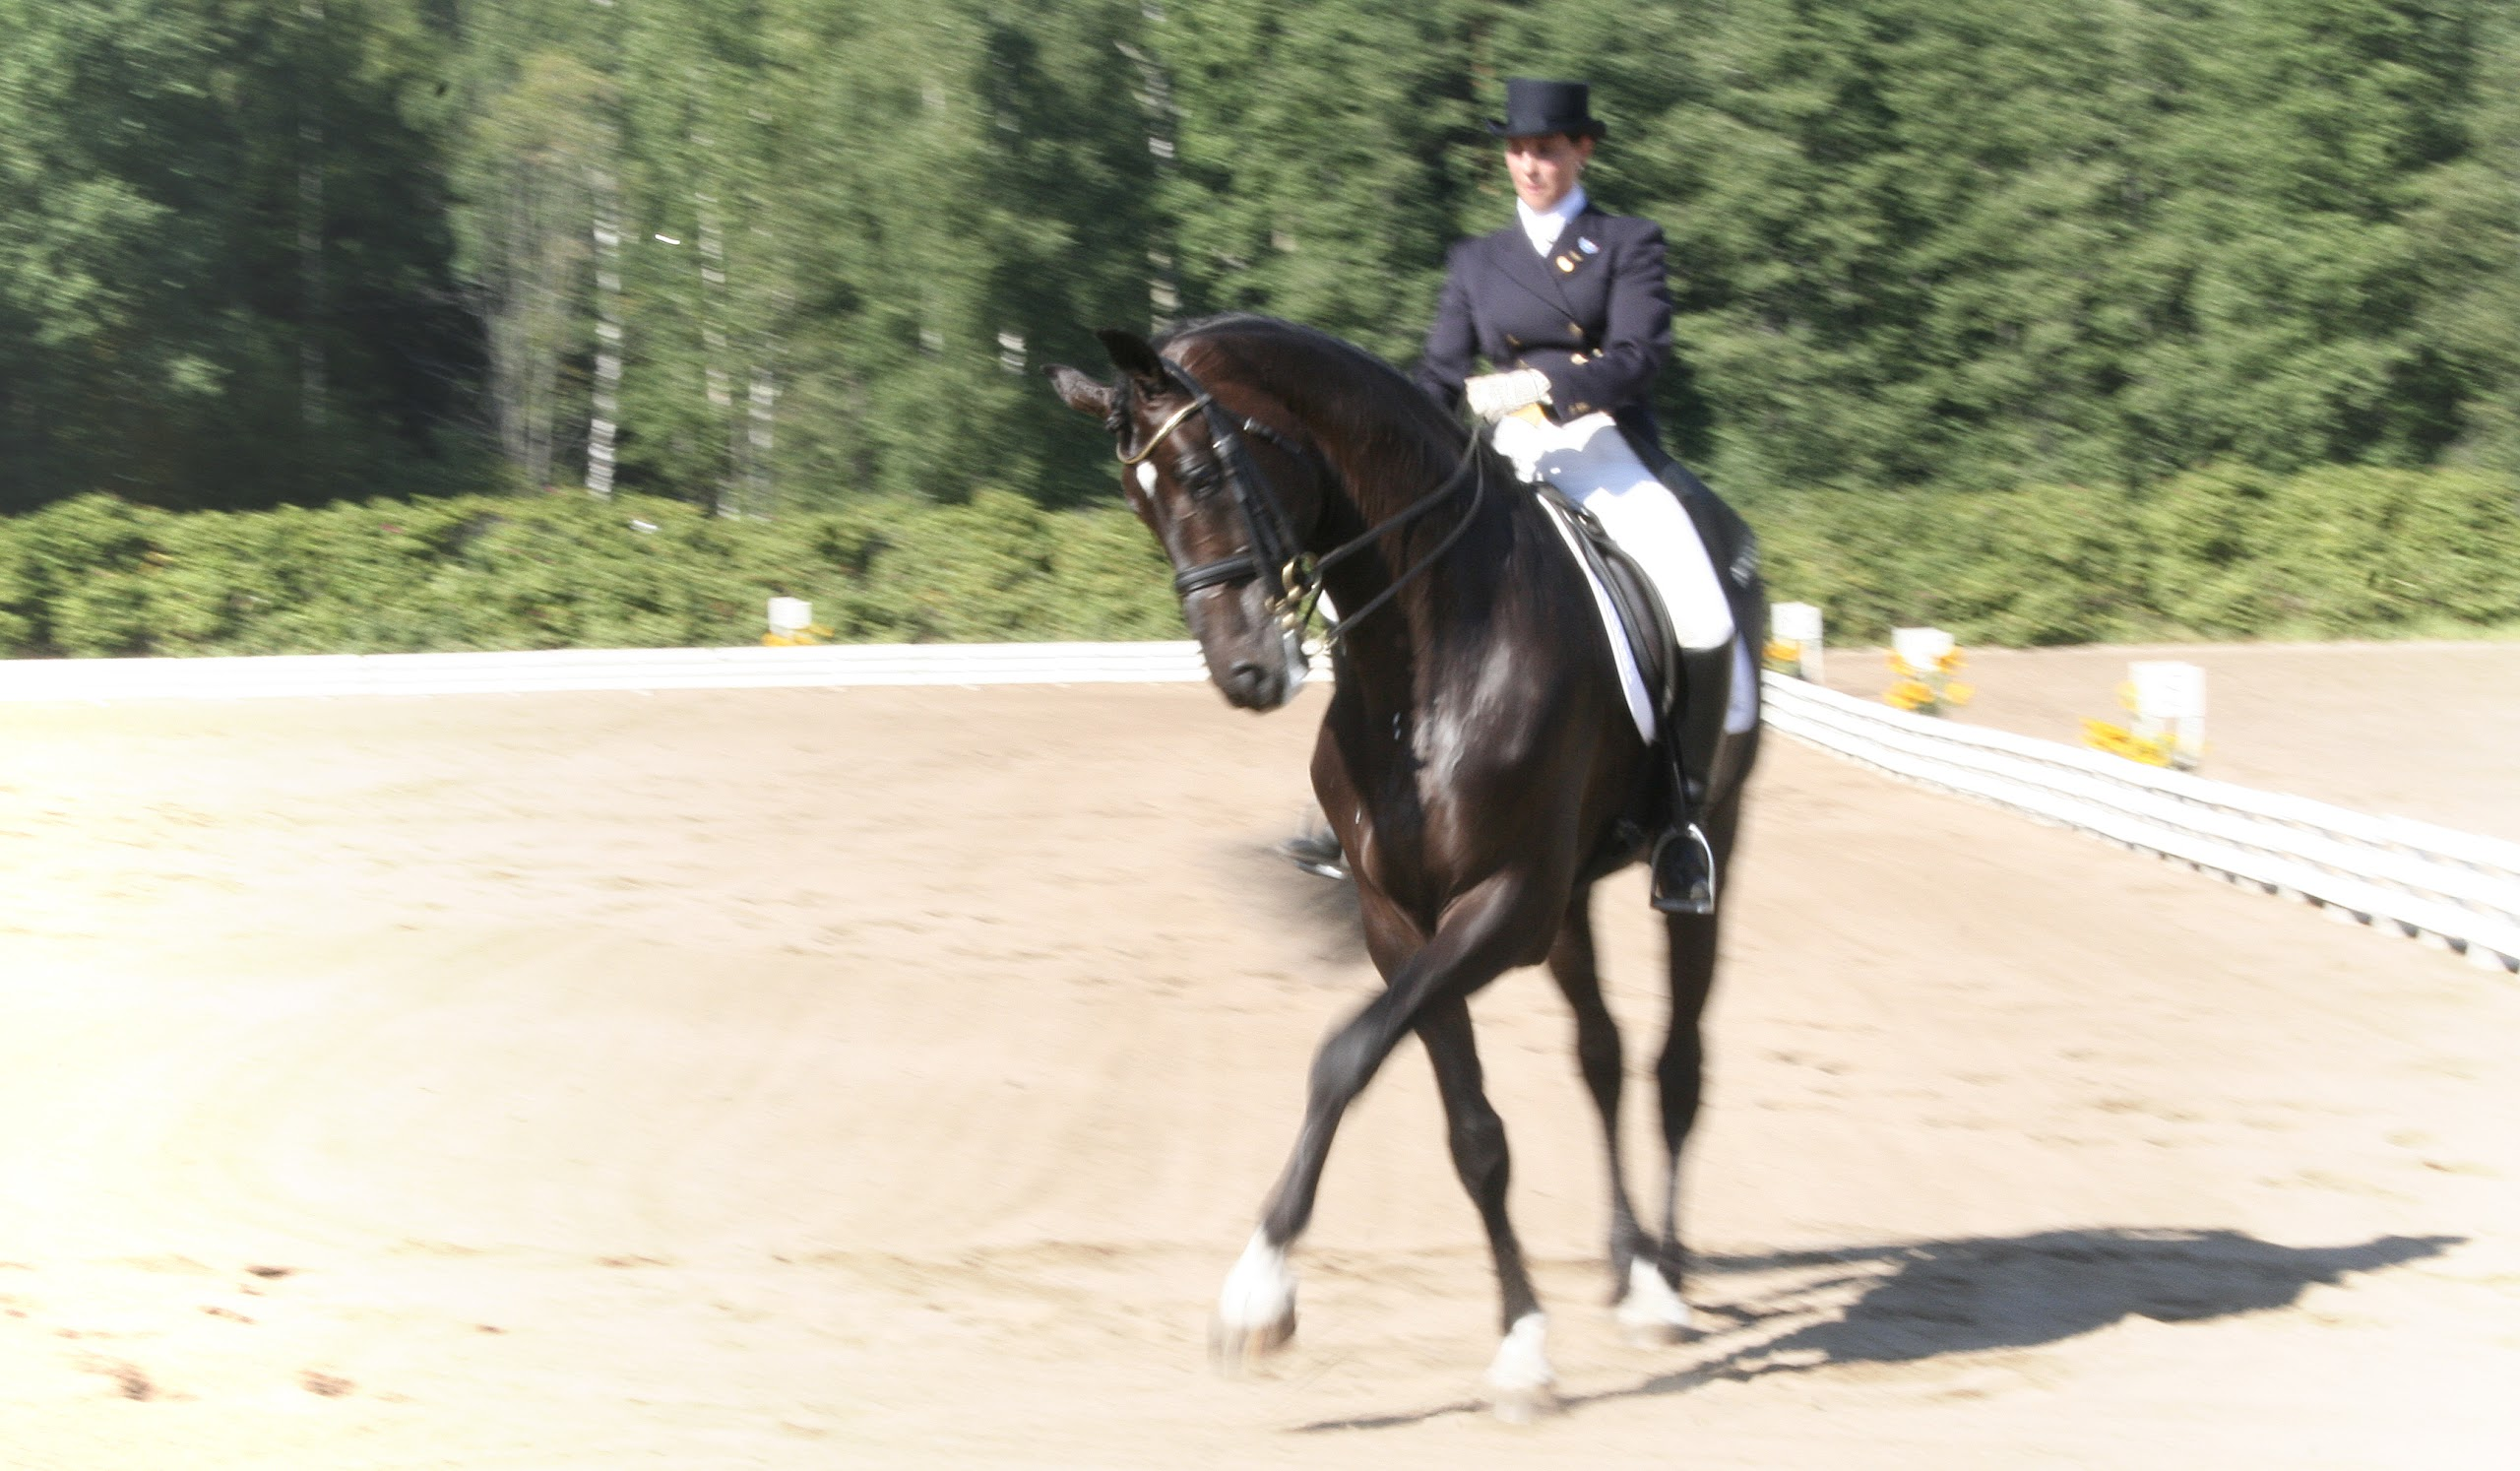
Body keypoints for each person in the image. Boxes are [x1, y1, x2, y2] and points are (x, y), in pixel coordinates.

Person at [1414, 77, 1736, 915]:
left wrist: (1540, 382)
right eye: (1519, 150)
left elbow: (1639, 355)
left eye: (1547, 149)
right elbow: (1439, 373)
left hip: (1598, 445)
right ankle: (1364, 789)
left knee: (1704, 614)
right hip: (1498, 454)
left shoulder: (1625, 240)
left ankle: (1682, 820)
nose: (1531, 164)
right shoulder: (1475, 260)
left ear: (1581, 150)